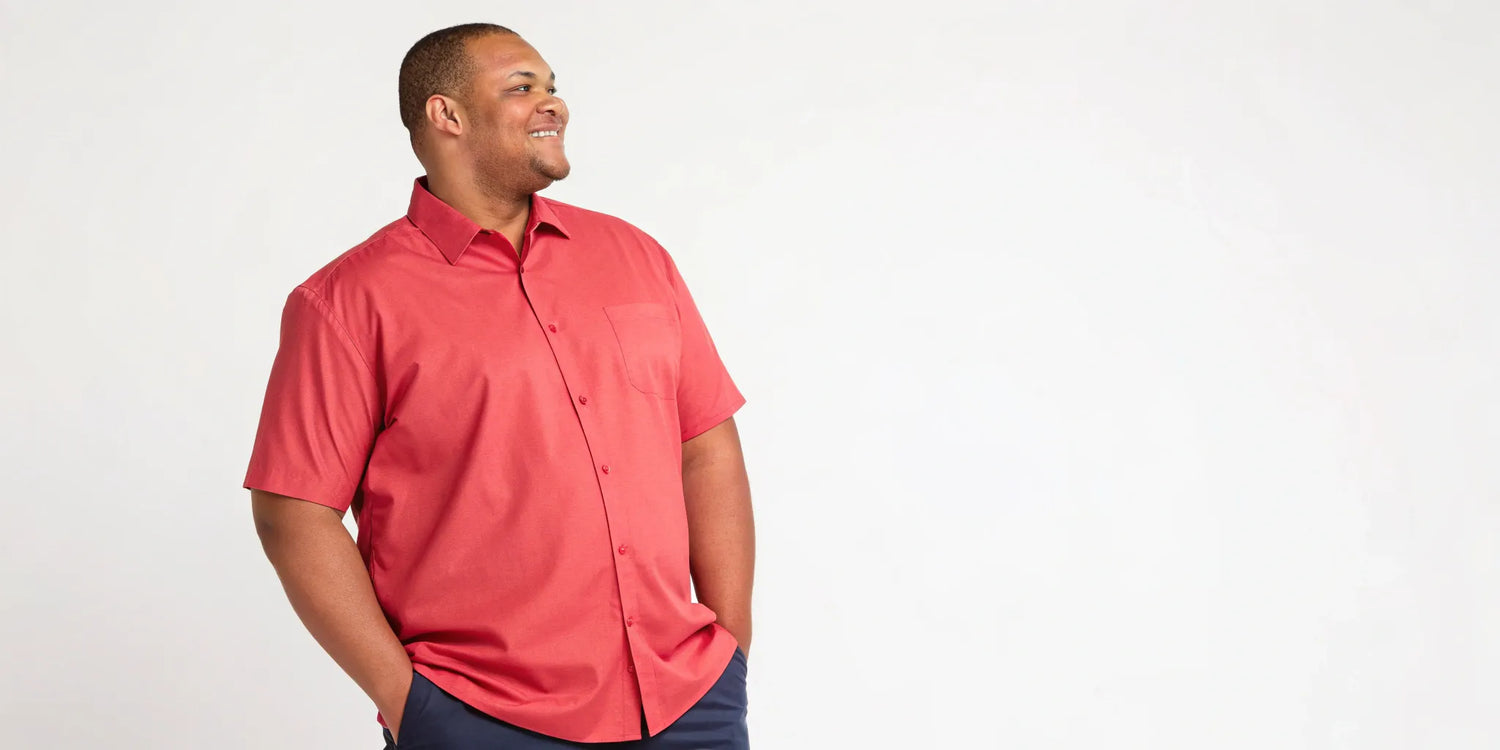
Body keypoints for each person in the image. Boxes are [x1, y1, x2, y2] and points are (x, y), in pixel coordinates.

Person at [242, 22, 754, 749]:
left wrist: (730, 647)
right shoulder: (348, 301)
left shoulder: (635, 256)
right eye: (522, 87)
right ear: (445, 115)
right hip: (482, 718)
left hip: (686, 702)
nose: (554, 105)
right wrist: (408, 700)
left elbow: (704, 444)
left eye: (553, 87)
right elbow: (294, 512)